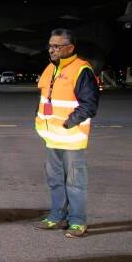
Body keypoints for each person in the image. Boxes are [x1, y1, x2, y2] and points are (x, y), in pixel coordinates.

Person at [33, 28, 99, 238]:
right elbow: (46, 99)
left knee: (75, 182)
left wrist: (68, 123)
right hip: (51, 138)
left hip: (71, 138)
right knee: (55, 181)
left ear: (70, 48)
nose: (51, 50)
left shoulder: (81, 69)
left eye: (57, 46)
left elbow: (89, 105)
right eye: (50, 46)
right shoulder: (50, 69)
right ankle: (57, 216)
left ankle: (78, 222)